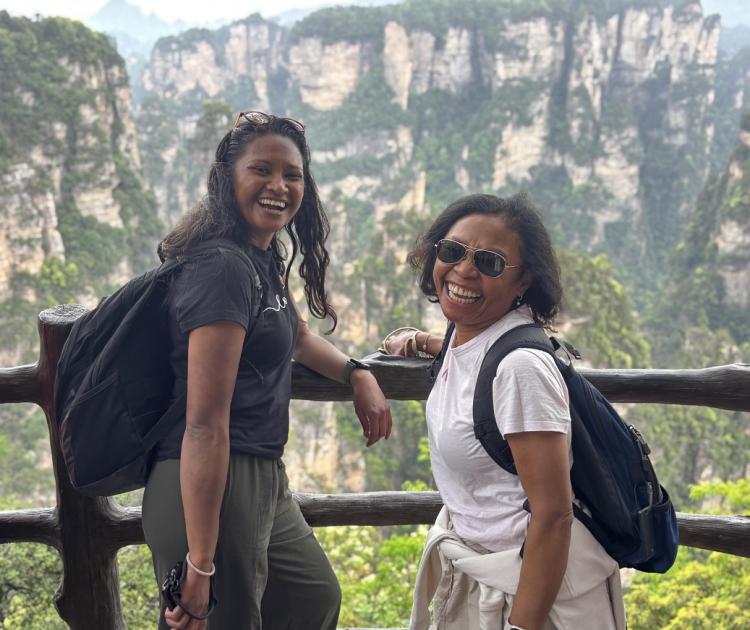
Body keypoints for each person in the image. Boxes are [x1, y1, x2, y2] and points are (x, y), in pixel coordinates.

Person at [142, 111, 392, 630]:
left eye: (292, 175)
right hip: (212, 480)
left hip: (260, 473)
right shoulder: (223, 270)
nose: (279, 186)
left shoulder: (260, 256)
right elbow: (204, 424)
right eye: (261, 170)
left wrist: (358, 373)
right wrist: (200, 562)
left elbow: (298, 338)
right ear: (228, 179)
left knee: (312, 598)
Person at [383, 193, 625, 630]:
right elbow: (466, 352)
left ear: (522, 282)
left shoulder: (520, 369)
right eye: (452, 251)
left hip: (530, 598)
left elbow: (553, 516)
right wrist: (419, 340)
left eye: (489, 262)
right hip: (484, 577)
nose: (463, 270)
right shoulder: (470, 336)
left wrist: (520, 626)